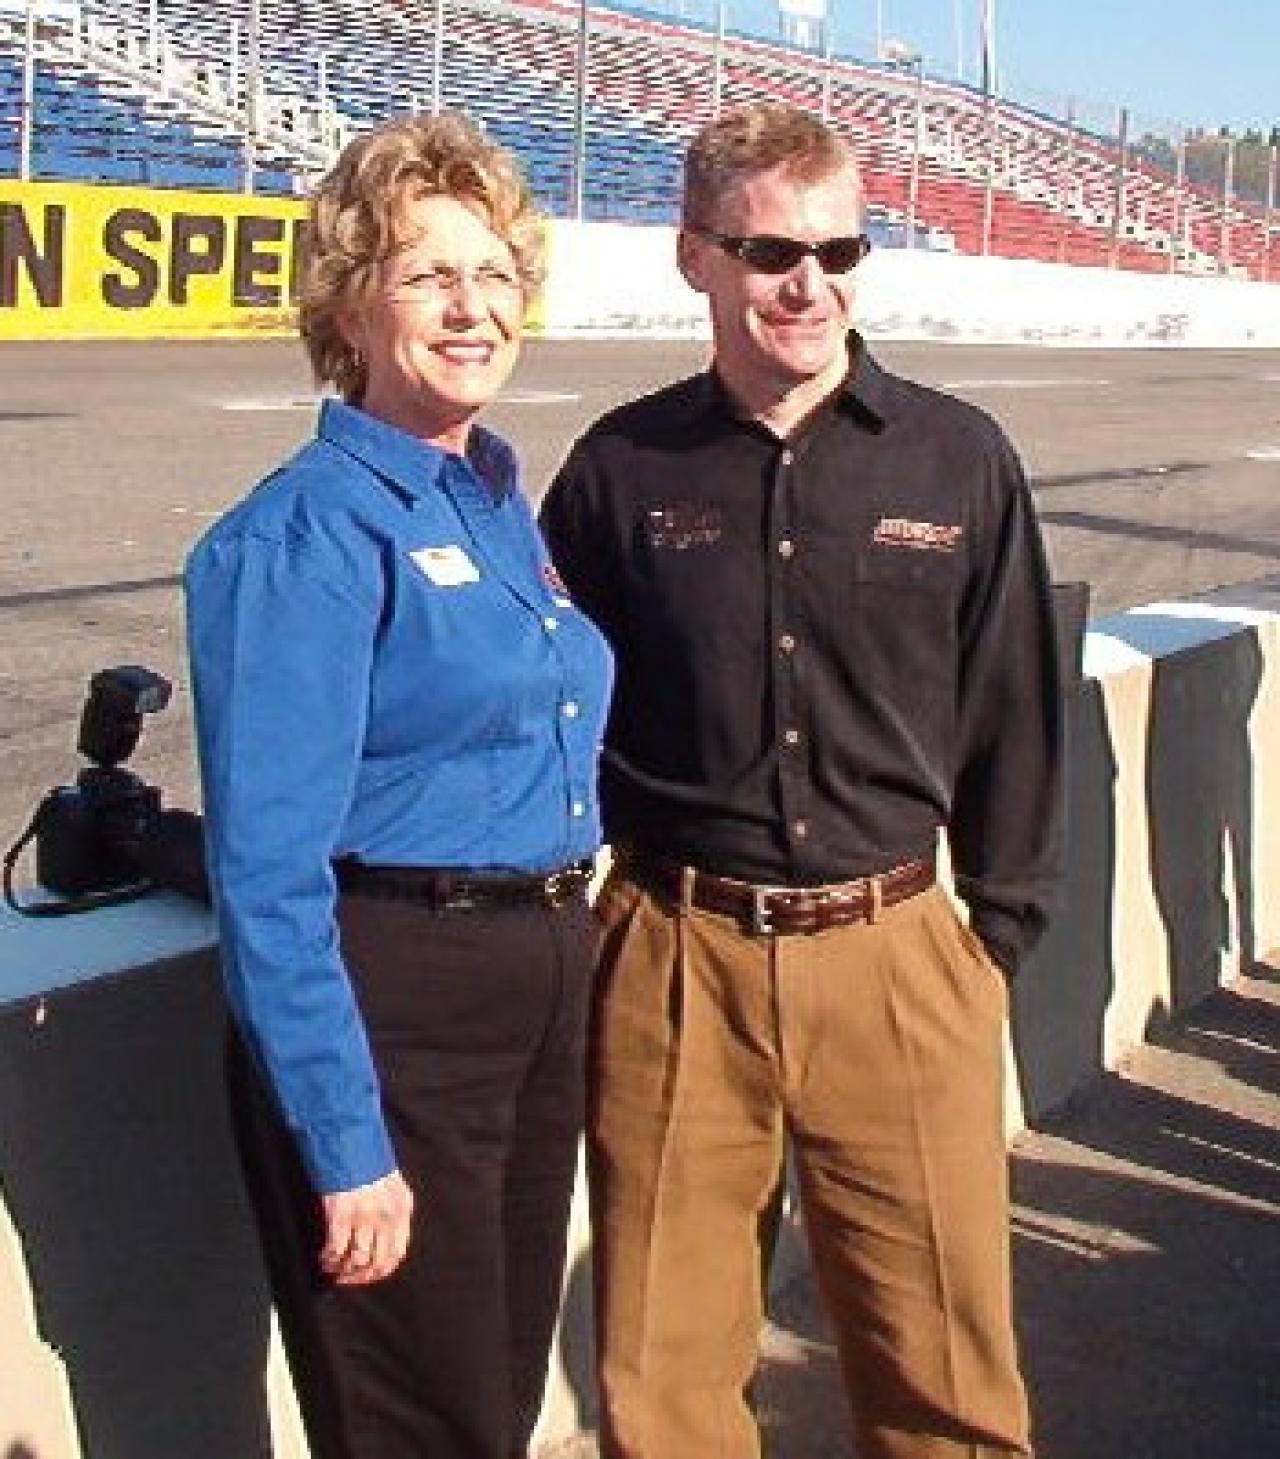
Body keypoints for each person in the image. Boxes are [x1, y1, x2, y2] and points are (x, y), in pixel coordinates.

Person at [539, 102, 1063, 1459]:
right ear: (695, 258)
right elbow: (545, 713)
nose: (808, 284)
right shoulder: (618, 469)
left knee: (946, 1383)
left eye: (840, 251)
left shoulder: (957, 458)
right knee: (662, 1387)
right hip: (674, 958)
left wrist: (986, 949)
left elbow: (1016, 714)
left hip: (897, 957)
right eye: (770, 251)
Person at [185, 111, 612, 1459]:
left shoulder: (488, 501)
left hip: (533, 992)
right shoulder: (302, 536)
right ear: (352, 307)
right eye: (428, 276)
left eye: (493, 274)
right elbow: (268, 875)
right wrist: (344, 1140)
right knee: (419, 1424)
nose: (472, 307)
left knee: (492, 1404)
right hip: (399, 1013)